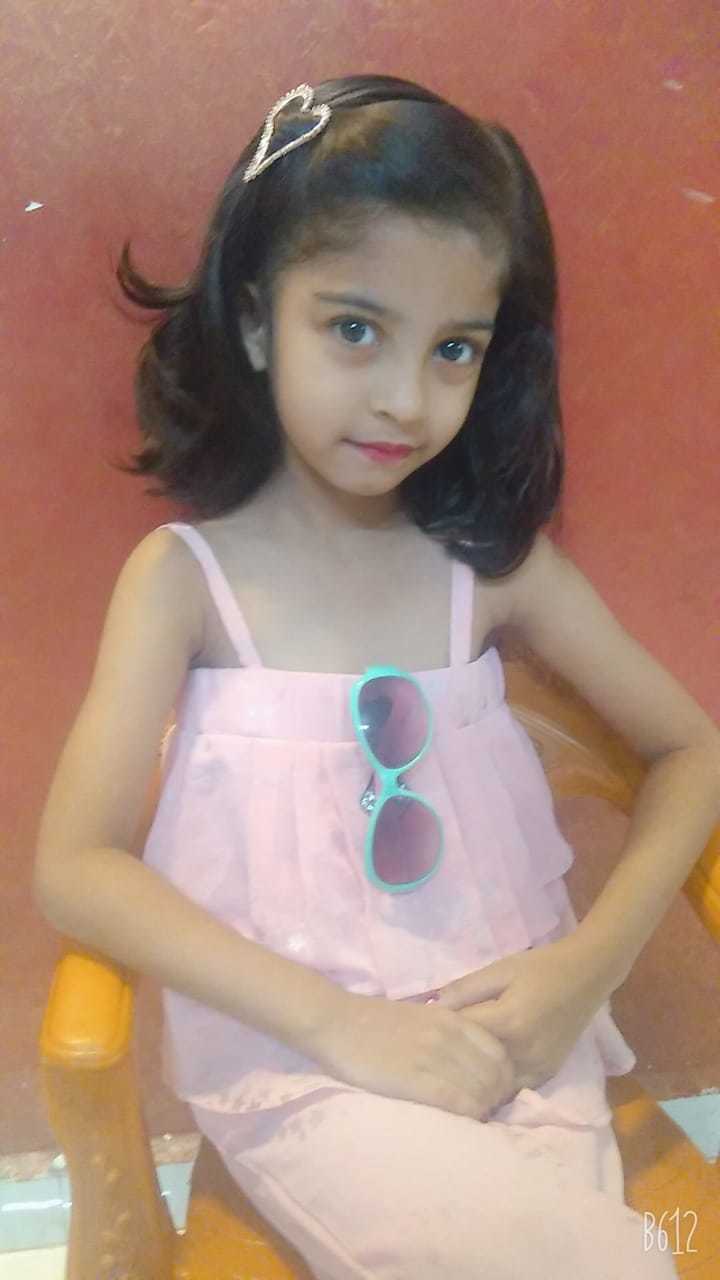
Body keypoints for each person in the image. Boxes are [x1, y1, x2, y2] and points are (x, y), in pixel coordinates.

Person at [34, 74, 720, 1278]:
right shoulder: (185, 583)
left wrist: (584, 970)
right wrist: (338, 1022)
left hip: (521, 1042)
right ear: (258, 322)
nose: (406, 396)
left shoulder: (490, 570)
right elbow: (76, 866)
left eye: (454, 348)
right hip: (306, 1068)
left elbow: (692, 748)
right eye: (355, 328)